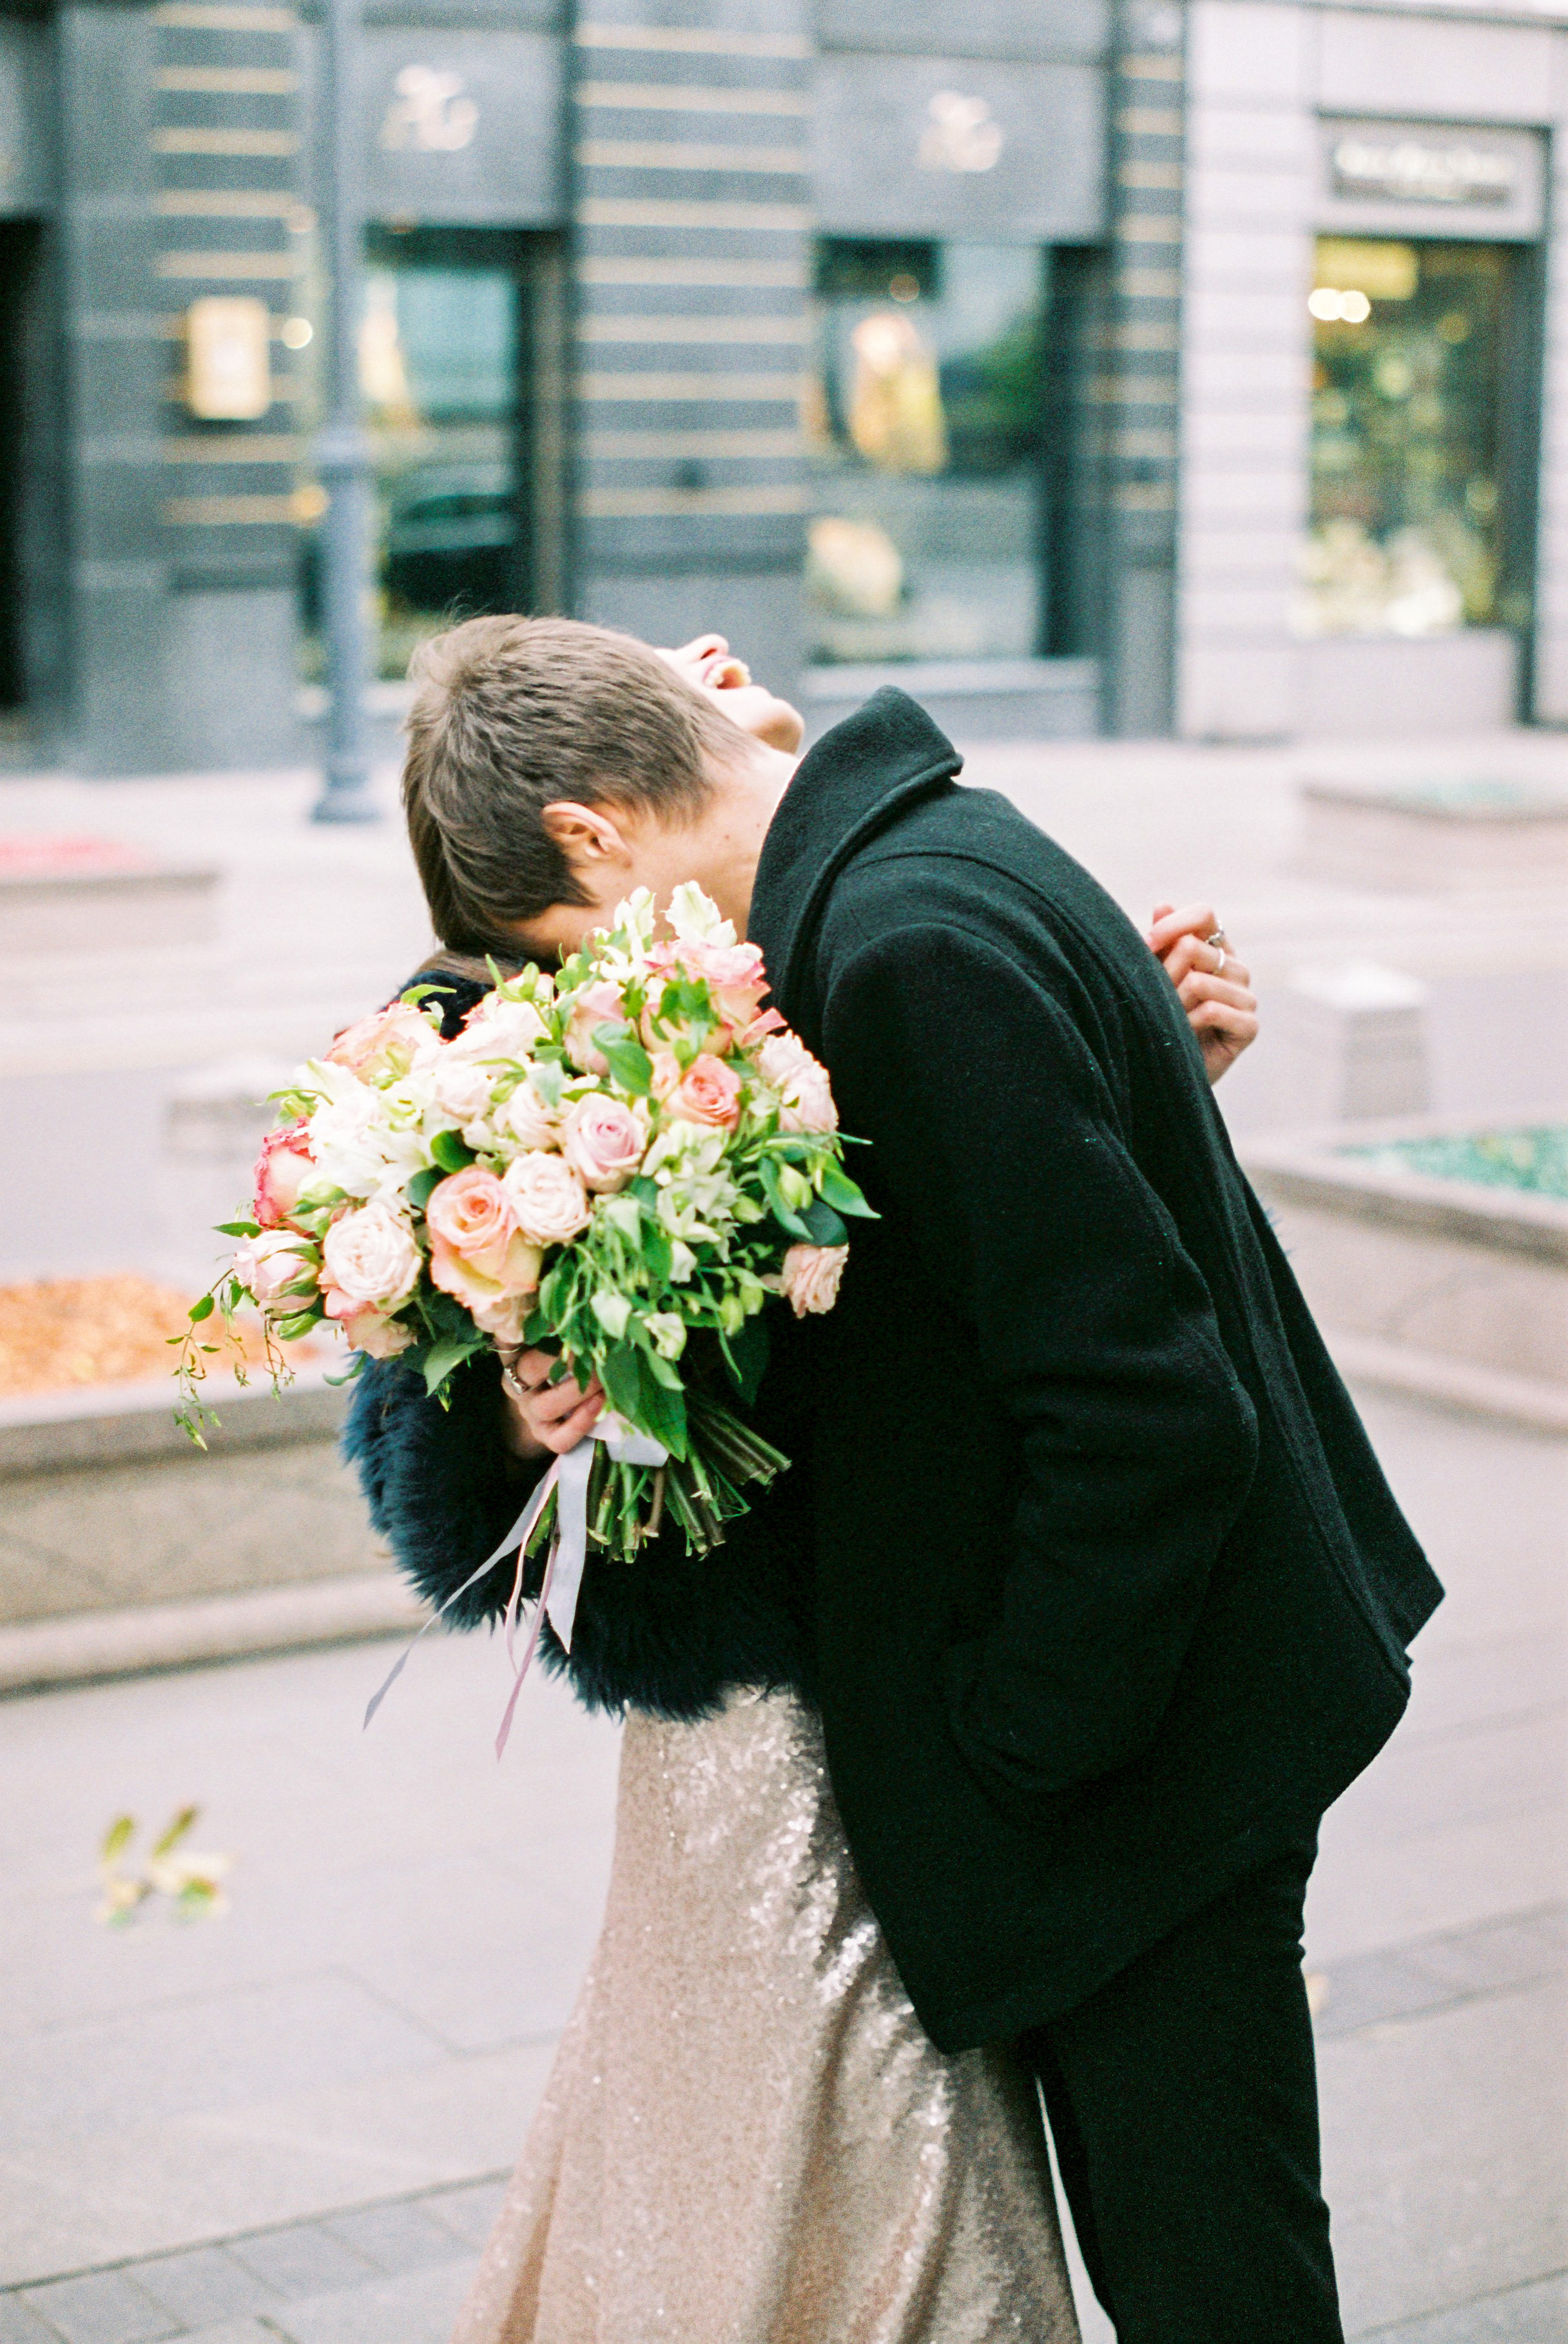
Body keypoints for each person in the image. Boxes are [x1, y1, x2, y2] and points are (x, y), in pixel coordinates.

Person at [347, 615, 1441, 2343]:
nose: (600, 992)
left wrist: (1019, 1738)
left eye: (569, 943)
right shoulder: (935, 846)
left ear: (590, 834)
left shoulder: (896, 940)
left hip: (1154, 1743)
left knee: (1206, 2275)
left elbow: (1142, 1412)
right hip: (1186, 1695)